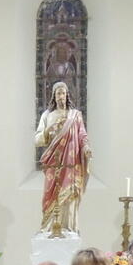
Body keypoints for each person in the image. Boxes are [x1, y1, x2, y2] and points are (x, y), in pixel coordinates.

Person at [35, 80, 91, 235]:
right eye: (58, 93)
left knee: (70, 194)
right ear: (54, 96)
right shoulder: (47, 115)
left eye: (63, 93)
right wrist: (48, 131)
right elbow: (38, 140)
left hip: (71, 163)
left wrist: (86, 147)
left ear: (67, 95)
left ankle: (69, 228)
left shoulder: (75, 115)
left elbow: (82, 135)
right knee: (51, 195)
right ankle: (49, 228)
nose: (61, 96)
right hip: (53, 163)